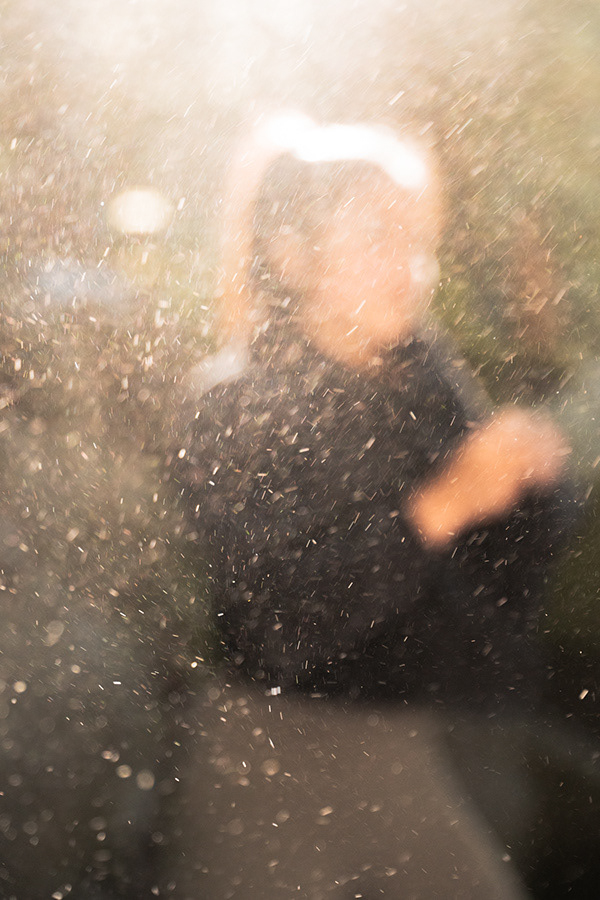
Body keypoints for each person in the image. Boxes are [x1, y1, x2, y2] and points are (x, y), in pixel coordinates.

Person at [164, 113, 586, 898]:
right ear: (293, 257)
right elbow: (278, 627)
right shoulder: (232, 405)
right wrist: (441, 506)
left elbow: (496, 592)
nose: (412, 265)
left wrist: (536, 492)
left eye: (419, 240)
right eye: (379, 236)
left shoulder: (425, 386)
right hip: (275, 768)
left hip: (418, 753)